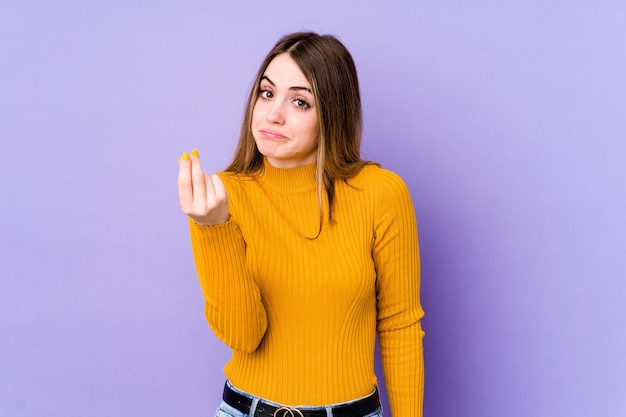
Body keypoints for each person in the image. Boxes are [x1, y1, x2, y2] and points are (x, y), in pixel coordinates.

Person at [178, 31, 424, 416]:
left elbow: (400, 325)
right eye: (266, 92)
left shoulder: (380, 193)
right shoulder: (221, 198)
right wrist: (213, 228)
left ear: (332, 112)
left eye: (299, 101)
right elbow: (244, 335)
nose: (273, 114)